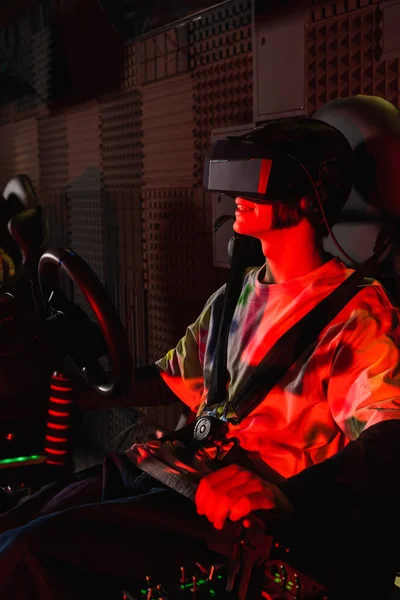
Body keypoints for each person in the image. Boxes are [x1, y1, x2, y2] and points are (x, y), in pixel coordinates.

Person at [1, 115, 400, 600]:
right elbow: (173, 377)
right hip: (164, 467)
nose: (234, 195)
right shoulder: (233, 295)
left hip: (228, 515)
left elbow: (389, 433)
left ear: (304, 197)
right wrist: (83, 388)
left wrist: (288, 497)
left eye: (252, 181)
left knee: (27, 558)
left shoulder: (357, 311)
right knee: (12, 524)